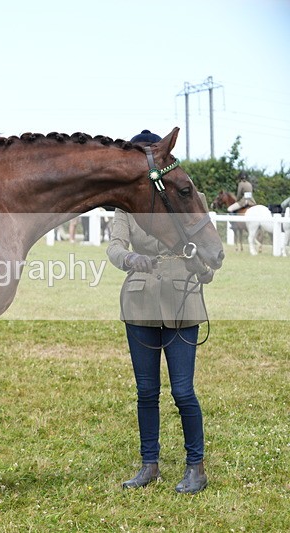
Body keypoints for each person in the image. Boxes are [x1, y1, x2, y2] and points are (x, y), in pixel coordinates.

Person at [106, 129, 213, 494]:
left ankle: (195, 467)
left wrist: (204, 266)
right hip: (139, 304)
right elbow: (115, 248)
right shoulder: (126, 207)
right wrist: (134, 259)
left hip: (183, 299)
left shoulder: (180, 197)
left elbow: (203, 239)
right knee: (146, 392)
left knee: (183, 391)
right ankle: (149, 464)